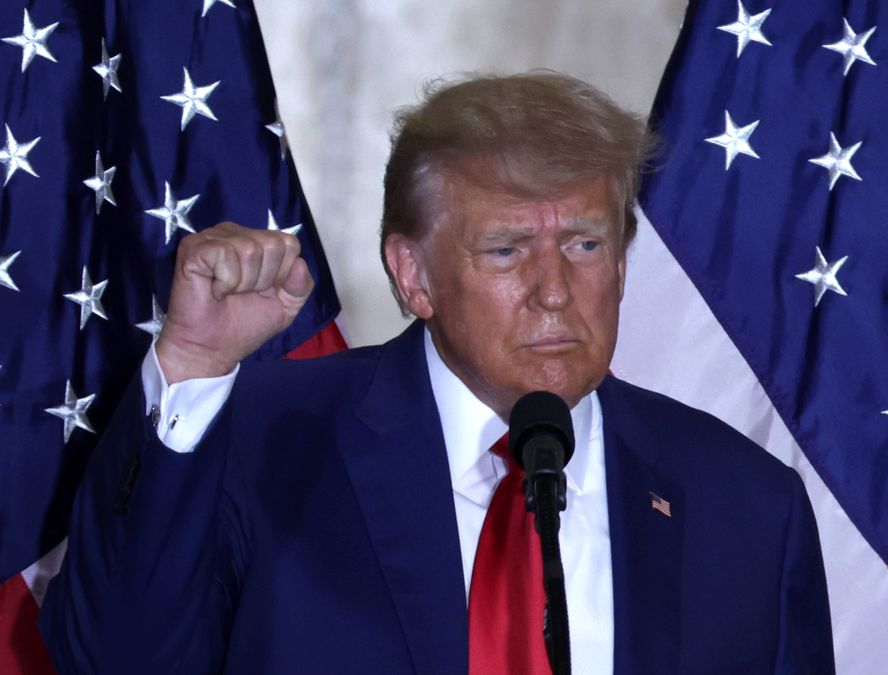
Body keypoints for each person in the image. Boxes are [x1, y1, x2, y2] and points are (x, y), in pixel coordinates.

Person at [40, 72, 834, 674]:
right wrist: (195, 364)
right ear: (412, 275)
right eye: (506, 248)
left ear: (623, 265)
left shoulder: (748, 507)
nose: (555, 288)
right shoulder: (265, 443)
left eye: (586, 244)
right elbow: (116, 654)